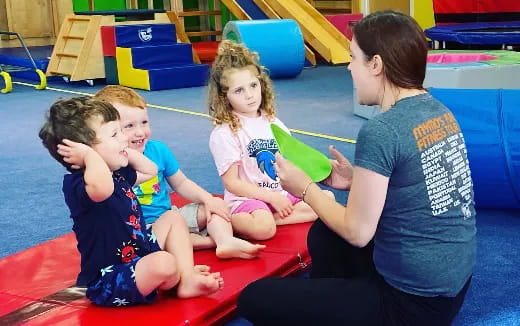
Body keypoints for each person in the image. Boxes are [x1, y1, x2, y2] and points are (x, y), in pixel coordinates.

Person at [237, 10, 476, 326]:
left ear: (376, 65)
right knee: (324, 233)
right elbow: (424, 186)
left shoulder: (382, 129)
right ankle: (337, 302)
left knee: (254, 298)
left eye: (353, 58)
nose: (348, 68)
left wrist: (306, 188)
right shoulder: (438, 110)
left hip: (411, 303)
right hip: (450, 285)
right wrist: (357, 181)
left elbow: (358, 232)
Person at [39, 97, 223, 307]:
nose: (124, 138)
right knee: (165, 263)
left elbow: (150, 170)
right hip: (110, 278)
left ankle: (186, 278)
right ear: (85, 150)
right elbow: (103, 189)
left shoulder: (117, 173)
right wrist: (90, 156)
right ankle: (173, 275)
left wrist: (123, 152)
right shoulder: (80, 184)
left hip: (140, 252)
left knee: (172, 217)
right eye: (115, 134)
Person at [94, 86, 264, 259]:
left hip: (170, 215)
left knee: (214, 209)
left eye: (144, 123)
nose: (140, 131)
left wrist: (208, 199)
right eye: (129, 126)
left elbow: (181, 183)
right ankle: (208, 242)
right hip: (137, 230)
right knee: (162, 238)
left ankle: (225, 241)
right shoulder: (110, 163)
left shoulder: (158, 150)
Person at [208, 40, 332, 241]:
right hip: (247, 199)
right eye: (239, 90)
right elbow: (232, 183)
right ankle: (237, 220)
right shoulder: (225, 133)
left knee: (327, 201)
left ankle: (275, 217)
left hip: (279, 193)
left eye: (253, 85)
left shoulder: (272, 122)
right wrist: (270, 198)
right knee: (263, 229)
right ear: (224, 97)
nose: (249, 95)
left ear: (261, 84)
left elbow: (289, 161)